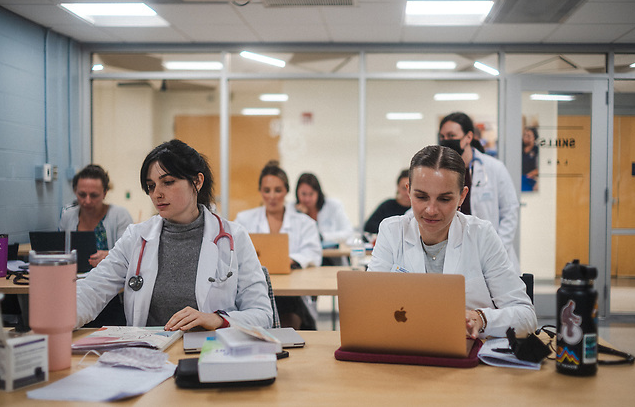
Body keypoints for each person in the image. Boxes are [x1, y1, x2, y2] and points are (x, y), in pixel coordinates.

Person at [76, 140, 273, 330]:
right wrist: (54, 323)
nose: (157, 194)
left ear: (197, 181)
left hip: (211, 352)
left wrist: (218, 320)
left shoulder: (234, 237)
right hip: (149, 354)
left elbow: (262, 315)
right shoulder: (136, 237)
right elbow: (91, 292)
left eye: (168, 182)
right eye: (151, 186)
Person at [368, 145, 537, 339]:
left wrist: (481, 318)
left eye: (444, 199)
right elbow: (369, 304)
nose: (431, 210)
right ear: (408, 191)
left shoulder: (481, 235)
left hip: (468, 359)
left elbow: (526, 316)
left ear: (462, 196)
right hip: (405, 350)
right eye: (421, 197)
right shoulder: (392, 231)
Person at [235, 161, 322, 329]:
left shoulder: (305, 223)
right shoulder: (243, 220)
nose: (272, 196)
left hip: (292, 293)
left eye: (278, 190)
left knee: (288, 314)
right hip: (254, 289)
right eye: (267, 190)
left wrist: (290, 260)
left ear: (287, 191)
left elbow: (314, 254)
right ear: (260, 191)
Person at [438, 112, 521, 274]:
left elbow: (510, 211)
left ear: (468, 137)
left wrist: (498, 249)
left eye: (451, 135)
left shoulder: (494, 168)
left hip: (494, 253)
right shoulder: (441, 171)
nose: (446, 140)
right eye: (442, 136)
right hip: (457, 252)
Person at [59, 164, 133, 268]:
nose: (87, 201)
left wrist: (109, 255)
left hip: (110, 278)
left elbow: (130, 254)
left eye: (94, 195)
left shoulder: (120, 215)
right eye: (82, 195)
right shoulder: (68, 216)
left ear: (105, 193)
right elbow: (61, 250)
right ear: (75, 191)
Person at [293, 173, 354, 244]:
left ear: (318, 193)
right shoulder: (292, 209)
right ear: (297, 193)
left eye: (311, 194)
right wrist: (301, 215)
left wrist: (322, 237)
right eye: (303, 194)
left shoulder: (333, 205)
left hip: (332, 253)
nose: (307, 199)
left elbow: (348, 233)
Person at [364, 169, 411, 235]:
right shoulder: (387, 206)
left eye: (410, 189)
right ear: (398, 188)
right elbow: (369, 226)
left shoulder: (419, 208)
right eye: (404, 188)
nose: (407, 193)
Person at [522, 127, 539, 192]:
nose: (526, 137)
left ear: (534, 138)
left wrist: (529, 175)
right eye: (525, 135)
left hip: (530, 179)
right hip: (520, 178)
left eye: (528, 136)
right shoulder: (519, 149)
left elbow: (540, 168)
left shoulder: (537, 150)